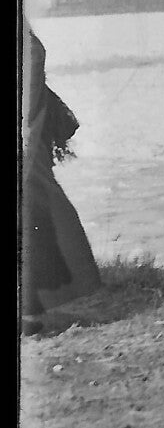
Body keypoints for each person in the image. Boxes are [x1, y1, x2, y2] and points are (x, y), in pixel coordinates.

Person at [21, 18, 102, 334]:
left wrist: (26, 126)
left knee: (35, 205)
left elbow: (32, 53)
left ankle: (30, 310)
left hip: (27, 125)